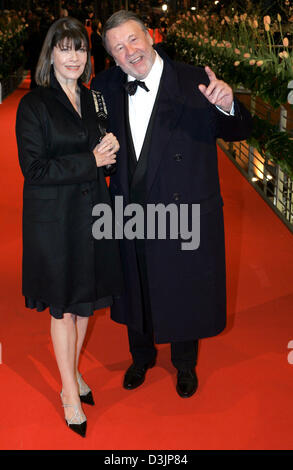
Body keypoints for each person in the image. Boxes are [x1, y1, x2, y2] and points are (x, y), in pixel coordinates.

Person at [91, 10, 252, 398]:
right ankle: (141, 356)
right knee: (136, 283)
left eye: (132, 40)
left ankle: (184, 364)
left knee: (184, 286)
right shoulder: (104, 86)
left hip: (185, 207)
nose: (129, 52)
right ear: (111, 57)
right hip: (130, 207)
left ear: (149, 35)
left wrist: (228, 105)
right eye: (117, 48)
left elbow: (238, 131)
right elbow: (91, 137)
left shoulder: (195, 79)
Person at [16, 17, 122, 437]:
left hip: (91, 214)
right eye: (65, 48)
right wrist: (90, 161)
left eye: (80, 49)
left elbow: (101, 156)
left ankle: (73, 372)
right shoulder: (34, 104)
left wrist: (108, 151)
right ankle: (68, 392)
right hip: (55, 221)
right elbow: (35, 169)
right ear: (51, 55)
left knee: (83, 303)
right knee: (62, 306)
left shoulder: (94, 99)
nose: (74, 56)